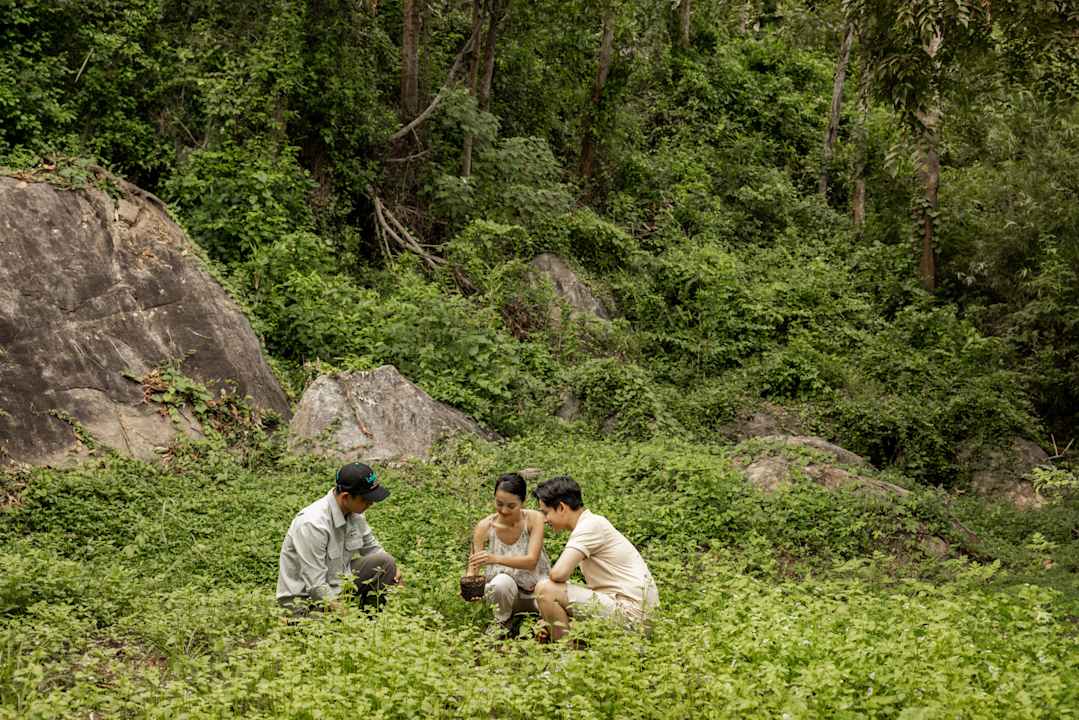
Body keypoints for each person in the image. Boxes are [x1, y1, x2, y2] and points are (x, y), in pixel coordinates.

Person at [532, 476, 658, 640]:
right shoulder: (592, 523)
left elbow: (558, 574)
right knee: (546, 604)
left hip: (632, 615)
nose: (545, 519)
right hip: (628, 610)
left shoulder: (590, 526)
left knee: (545, 590)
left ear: (562, 507)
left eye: (546, 512)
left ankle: (564, 657)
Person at [277, 462, 401, 613]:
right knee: (328, 625)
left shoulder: (355, 514)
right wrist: (347, 617)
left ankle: (373, 619)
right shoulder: (312, 524)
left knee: (385, 562)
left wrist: (395, 571)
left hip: (338, 586)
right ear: (346, 497)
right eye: (366, 499)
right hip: (306, 601)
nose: (371, 503)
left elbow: (374, 550)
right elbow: (316, 587)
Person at [467, 472, 550, 635]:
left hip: (536, 591)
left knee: (552, 598)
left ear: (523, 502)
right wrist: (470, 585)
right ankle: (502, 623)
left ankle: (542, 624)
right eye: (499, 504)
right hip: (503, 595)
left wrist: (494, 558)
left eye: (511, 506)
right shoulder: (484, 526)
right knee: (501, 583)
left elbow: (531, 561)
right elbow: (473, 567)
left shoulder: (534, 519)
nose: (504, 510)